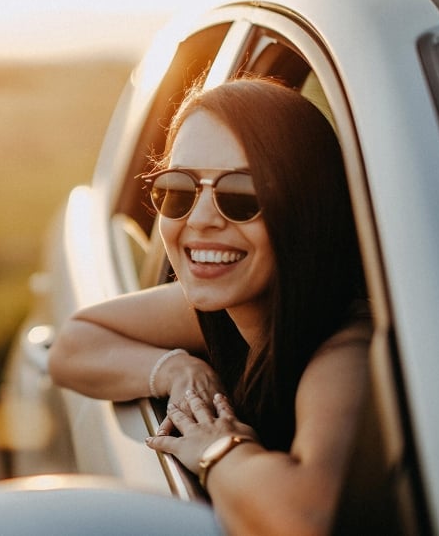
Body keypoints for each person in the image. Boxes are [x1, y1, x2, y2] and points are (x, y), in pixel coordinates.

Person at [47, 77, 372, 535]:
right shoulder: (227, 308)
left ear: (308, 206)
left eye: (241, 196)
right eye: (178, 190)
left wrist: (217, 450)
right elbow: (71, 346)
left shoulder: (347, 352)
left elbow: (303, 519)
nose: (199, 219)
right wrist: (174, 368)